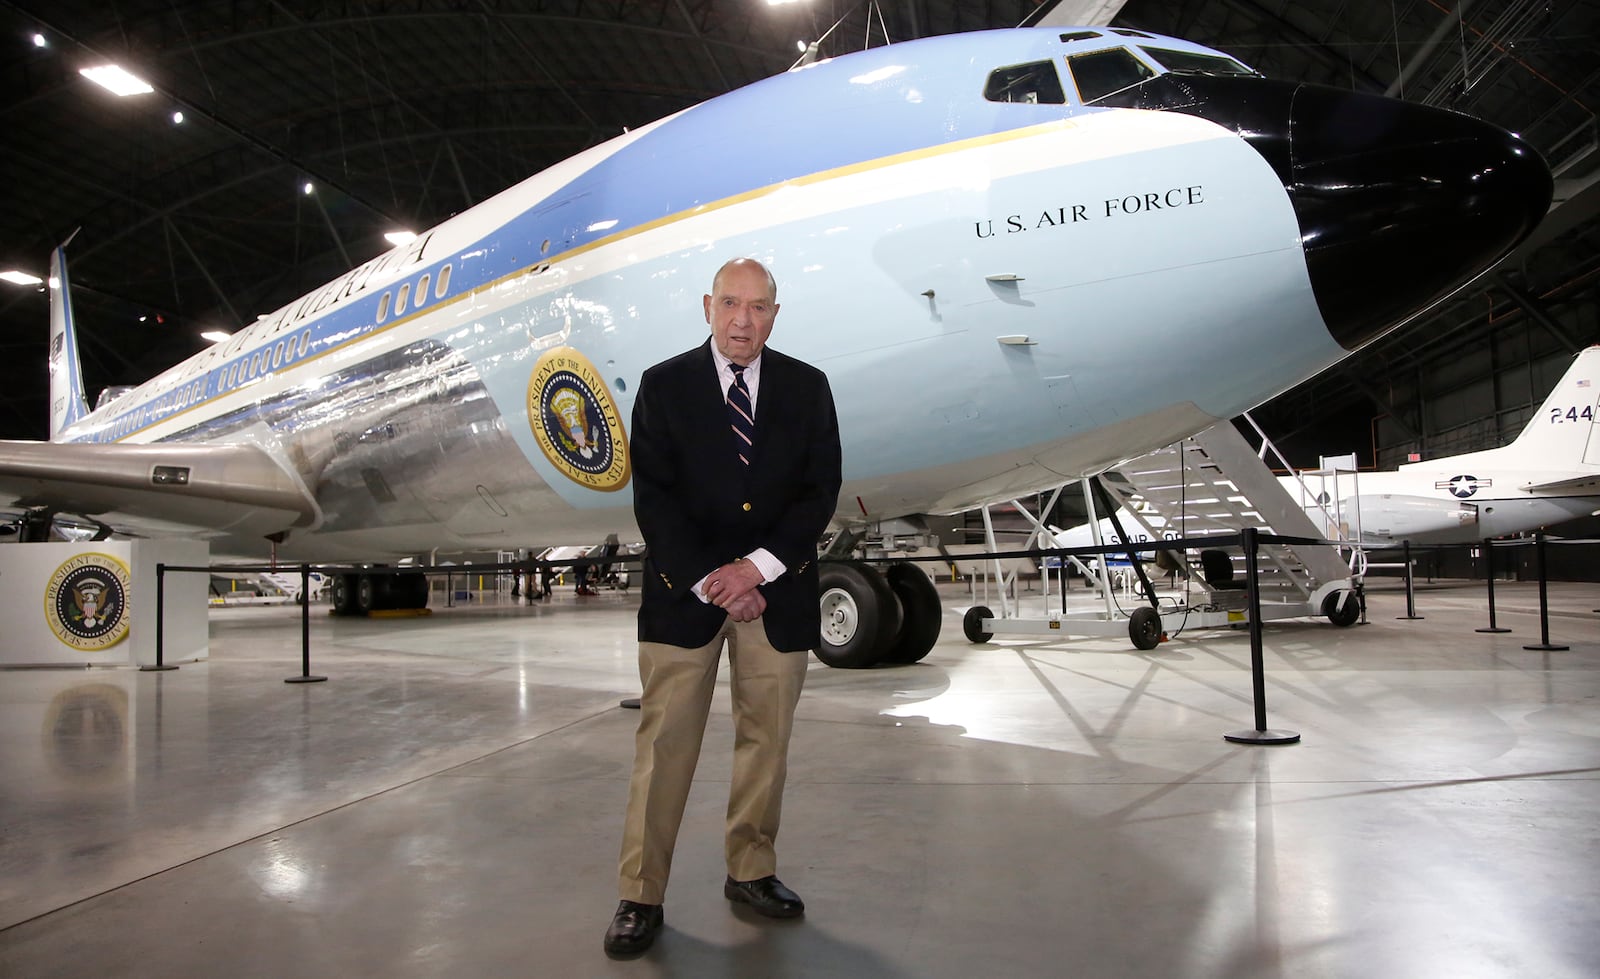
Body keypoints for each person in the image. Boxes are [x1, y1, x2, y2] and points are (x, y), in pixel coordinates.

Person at [603, 258, 842, 958]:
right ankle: (639, 892)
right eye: (732, 304)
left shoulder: (807, 387)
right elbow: (656, 498)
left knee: (765, 743)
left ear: (776, 311)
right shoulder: (664, 386)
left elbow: (818, 490)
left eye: (759, 307)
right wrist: (718, 578)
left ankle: (752, 870)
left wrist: (757, 568)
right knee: (664, 744)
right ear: (708, 306)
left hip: (779, 591)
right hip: (687, 596)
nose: (744, 320)